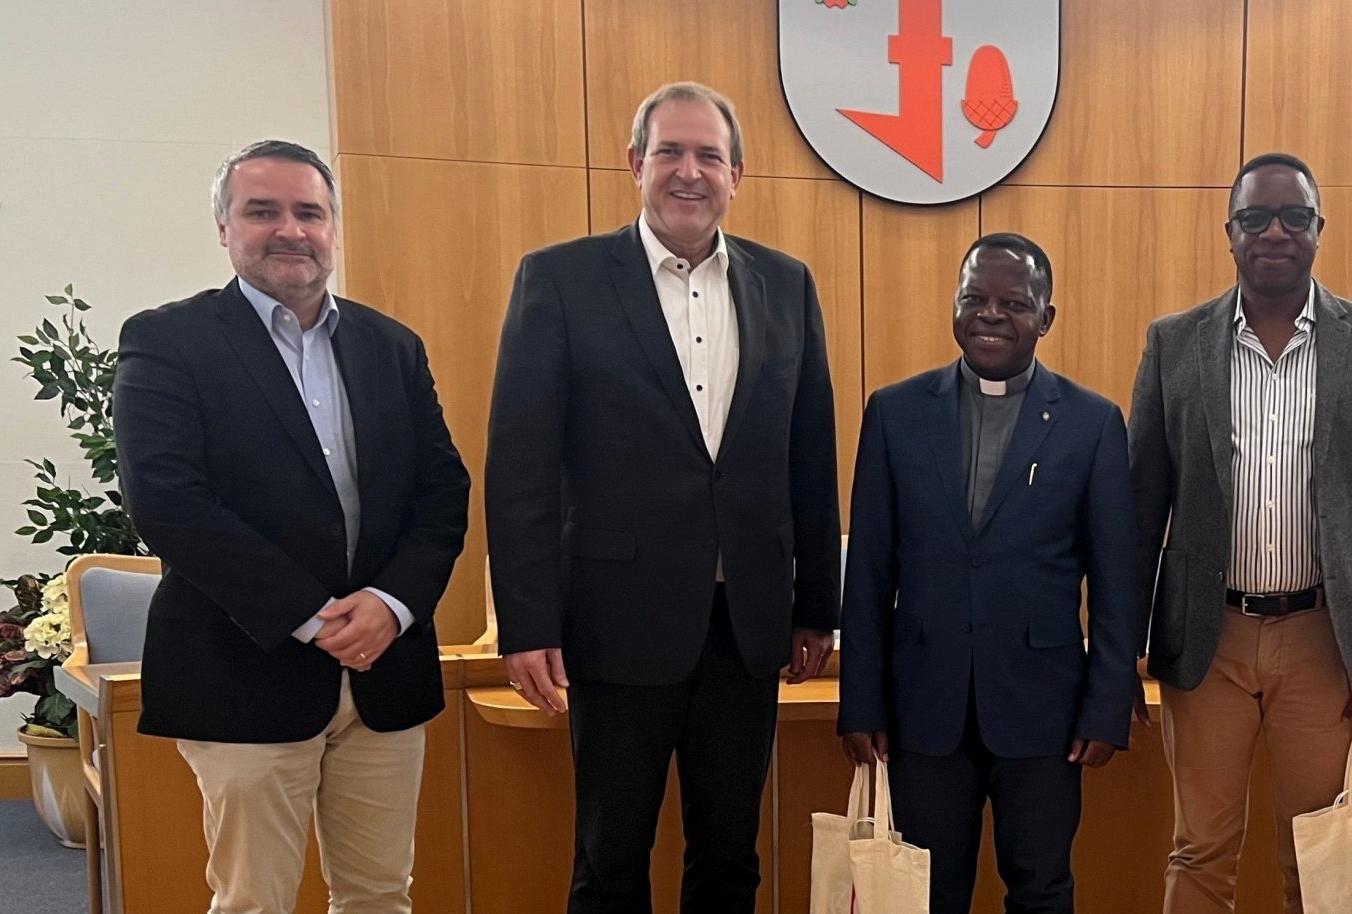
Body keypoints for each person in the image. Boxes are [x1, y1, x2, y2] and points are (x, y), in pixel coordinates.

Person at [484, 81, 840, 913]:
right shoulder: (560, 280)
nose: (690, 172)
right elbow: (520, 468)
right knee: (610, 862)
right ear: (635, 163)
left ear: (737, 175)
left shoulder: (786, 285)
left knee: (731, 860)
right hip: (615, 622)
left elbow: (810, 456)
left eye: (709, 156)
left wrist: (817, 605)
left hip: (744, 627)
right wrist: (527, 623)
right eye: (670, 152)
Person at [113, 139, 471, 913]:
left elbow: (443, 491)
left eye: (309, 212)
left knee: (380, 895)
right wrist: (313, 617)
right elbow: (169, 502)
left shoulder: (392, 346)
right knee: (255, 902)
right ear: (224, 227)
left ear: (333, 227)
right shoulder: (168, 342)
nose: (290, 230)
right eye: (262, 211)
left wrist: (393, 604)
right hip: (241, 667)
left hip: (385, 670)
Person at [1127, 152, 1352, 913]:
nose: (1275, 232)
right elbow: (1138, 511)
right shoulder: (1174, 343)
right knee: (1200, 850)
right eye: (1255, 218)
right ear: (1230, 233)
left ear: (1318, 229)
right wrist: (1116, 649)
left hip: (1326, 641)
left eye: (1294, 217)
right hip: (1207, 641)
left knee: (1321, 854)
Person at [838, 233, 1141, 914]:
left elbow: (1115, 583)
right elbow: (870, 574)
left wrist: (1106, 706)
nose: (991, 315)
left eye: (1015, 303)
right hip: (923, 709)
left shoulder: (1092, 423)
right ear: (954, 304)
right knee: (925, 895)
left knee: (1041, 889)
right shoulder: (895, 413)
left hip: (1045, 712)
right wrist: (860, 702)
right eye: (974, 298)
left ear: (1046, 317)